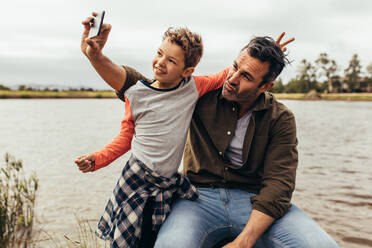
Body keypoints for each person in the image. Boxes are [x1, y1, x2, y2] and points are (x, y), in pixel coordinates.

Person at [79, 15, 339, 248]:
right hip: (197, 198)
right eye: (234, 66)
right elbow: (142, 86)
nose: (232, 78)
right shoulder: (199, 96)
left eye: (246, 76)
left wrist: (243, 242)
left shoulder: (280, 118)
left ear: (266, 85)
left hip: (253, 201)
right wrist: (96, 55)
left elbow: (279, 185)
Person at [75, 13, 236, 248]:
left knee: (154, 239)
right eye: (159, 53)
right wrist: (97, 159)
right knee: (129, 241)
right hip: (136, 180)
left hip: (166, 185)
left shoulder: (194, 86)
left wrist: (263, 53)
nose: (160, 62)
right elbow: (126, 138)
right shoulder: (137, 93)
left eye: (171, 60)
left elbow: (226, 73)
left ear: (187, 70)